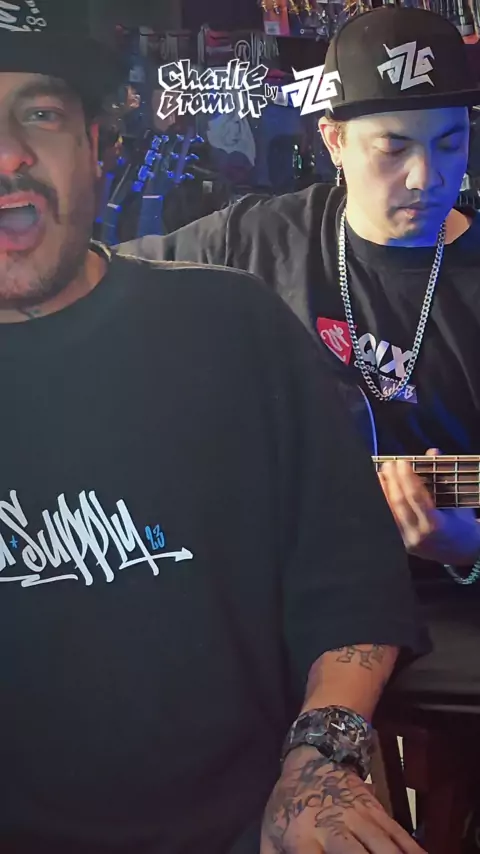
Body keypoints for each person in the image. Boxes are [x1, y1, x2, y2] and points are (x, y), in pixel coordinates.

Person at [0, 13, 426, 854]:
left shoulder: (233, 328)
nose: (9, 154)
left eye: (39, 114)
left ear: (98, 146)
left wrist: (319, 765)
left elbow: (352, 582)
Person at [118, 6, 480, 699]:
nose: (427, 177)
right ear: (334, 139)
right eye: (394, 147)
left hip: (444, 605)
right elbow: (103, 285)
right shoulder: (254, 239)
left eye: (451, 142)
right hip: (271, 593)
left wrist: (469, 550)